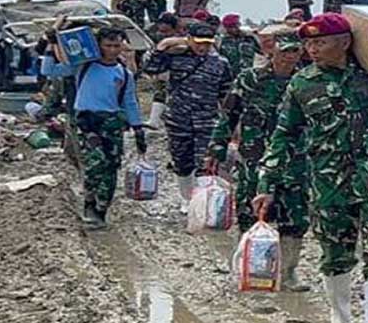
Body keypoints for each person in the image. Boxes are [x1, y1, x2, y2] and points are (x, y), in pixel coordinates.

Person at [252, 14, 368, 323]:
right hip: (327, 181)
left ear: (345, 42)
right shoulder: (303, 84)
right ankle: (341, 316)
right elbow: (283, 134)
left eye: (320, 42)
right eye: (308, 43)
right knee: (336, 252)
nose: (312, 49)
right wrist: (267, 182)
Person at [206, 31, 311, 290]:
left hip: (294, 159)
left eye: (294, 51)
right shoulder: (250, 79)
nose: (289, 57)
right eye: (284, 51)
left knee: (295, 216)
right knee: (249, 211)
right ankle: (248, 268)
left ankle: (287, 274)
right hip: (254, 156)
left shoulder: (306, 80)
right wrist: (217, 148)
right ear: (270, 52)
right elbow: (229, 115)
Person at [40, 25, 147, 229]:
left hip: (112, 122)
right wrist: (50, 44)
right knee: (94, 164)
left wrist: (138, 128)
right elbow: (49, 70)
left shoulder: (123, 73)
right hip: (87, 122)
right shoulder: (84, 65)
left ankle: (101, 209)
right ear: (98, 46)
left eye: (117, 45)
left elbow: (130, 101)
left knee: (111, 167)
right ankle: (90, 205)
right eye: (108, 45)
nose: (113, 50)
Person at [142, 21, 234, 209]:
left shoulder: (220, 63)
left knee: (205, 162)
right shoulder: (175, 57)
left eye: (207, 43)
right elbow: (149, 68)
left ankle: (202, 203)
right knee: (182, 161)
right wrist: (162, 46)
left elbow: (226, 94)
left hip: (206, 120)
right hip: (178, 119)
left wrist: (230, 122)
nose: (203, 47)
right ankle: (187, 199)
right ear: (189, 39)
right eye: (199, 42)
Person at [217, 14, 259, 78]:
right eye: (230, 27)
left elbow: (264, 53)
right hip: (229, 78)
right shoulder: (221, 41)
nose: (234, 29)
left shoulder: (249, 39)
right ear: (226, 28)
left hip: (248, 76)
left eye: (236, 25)